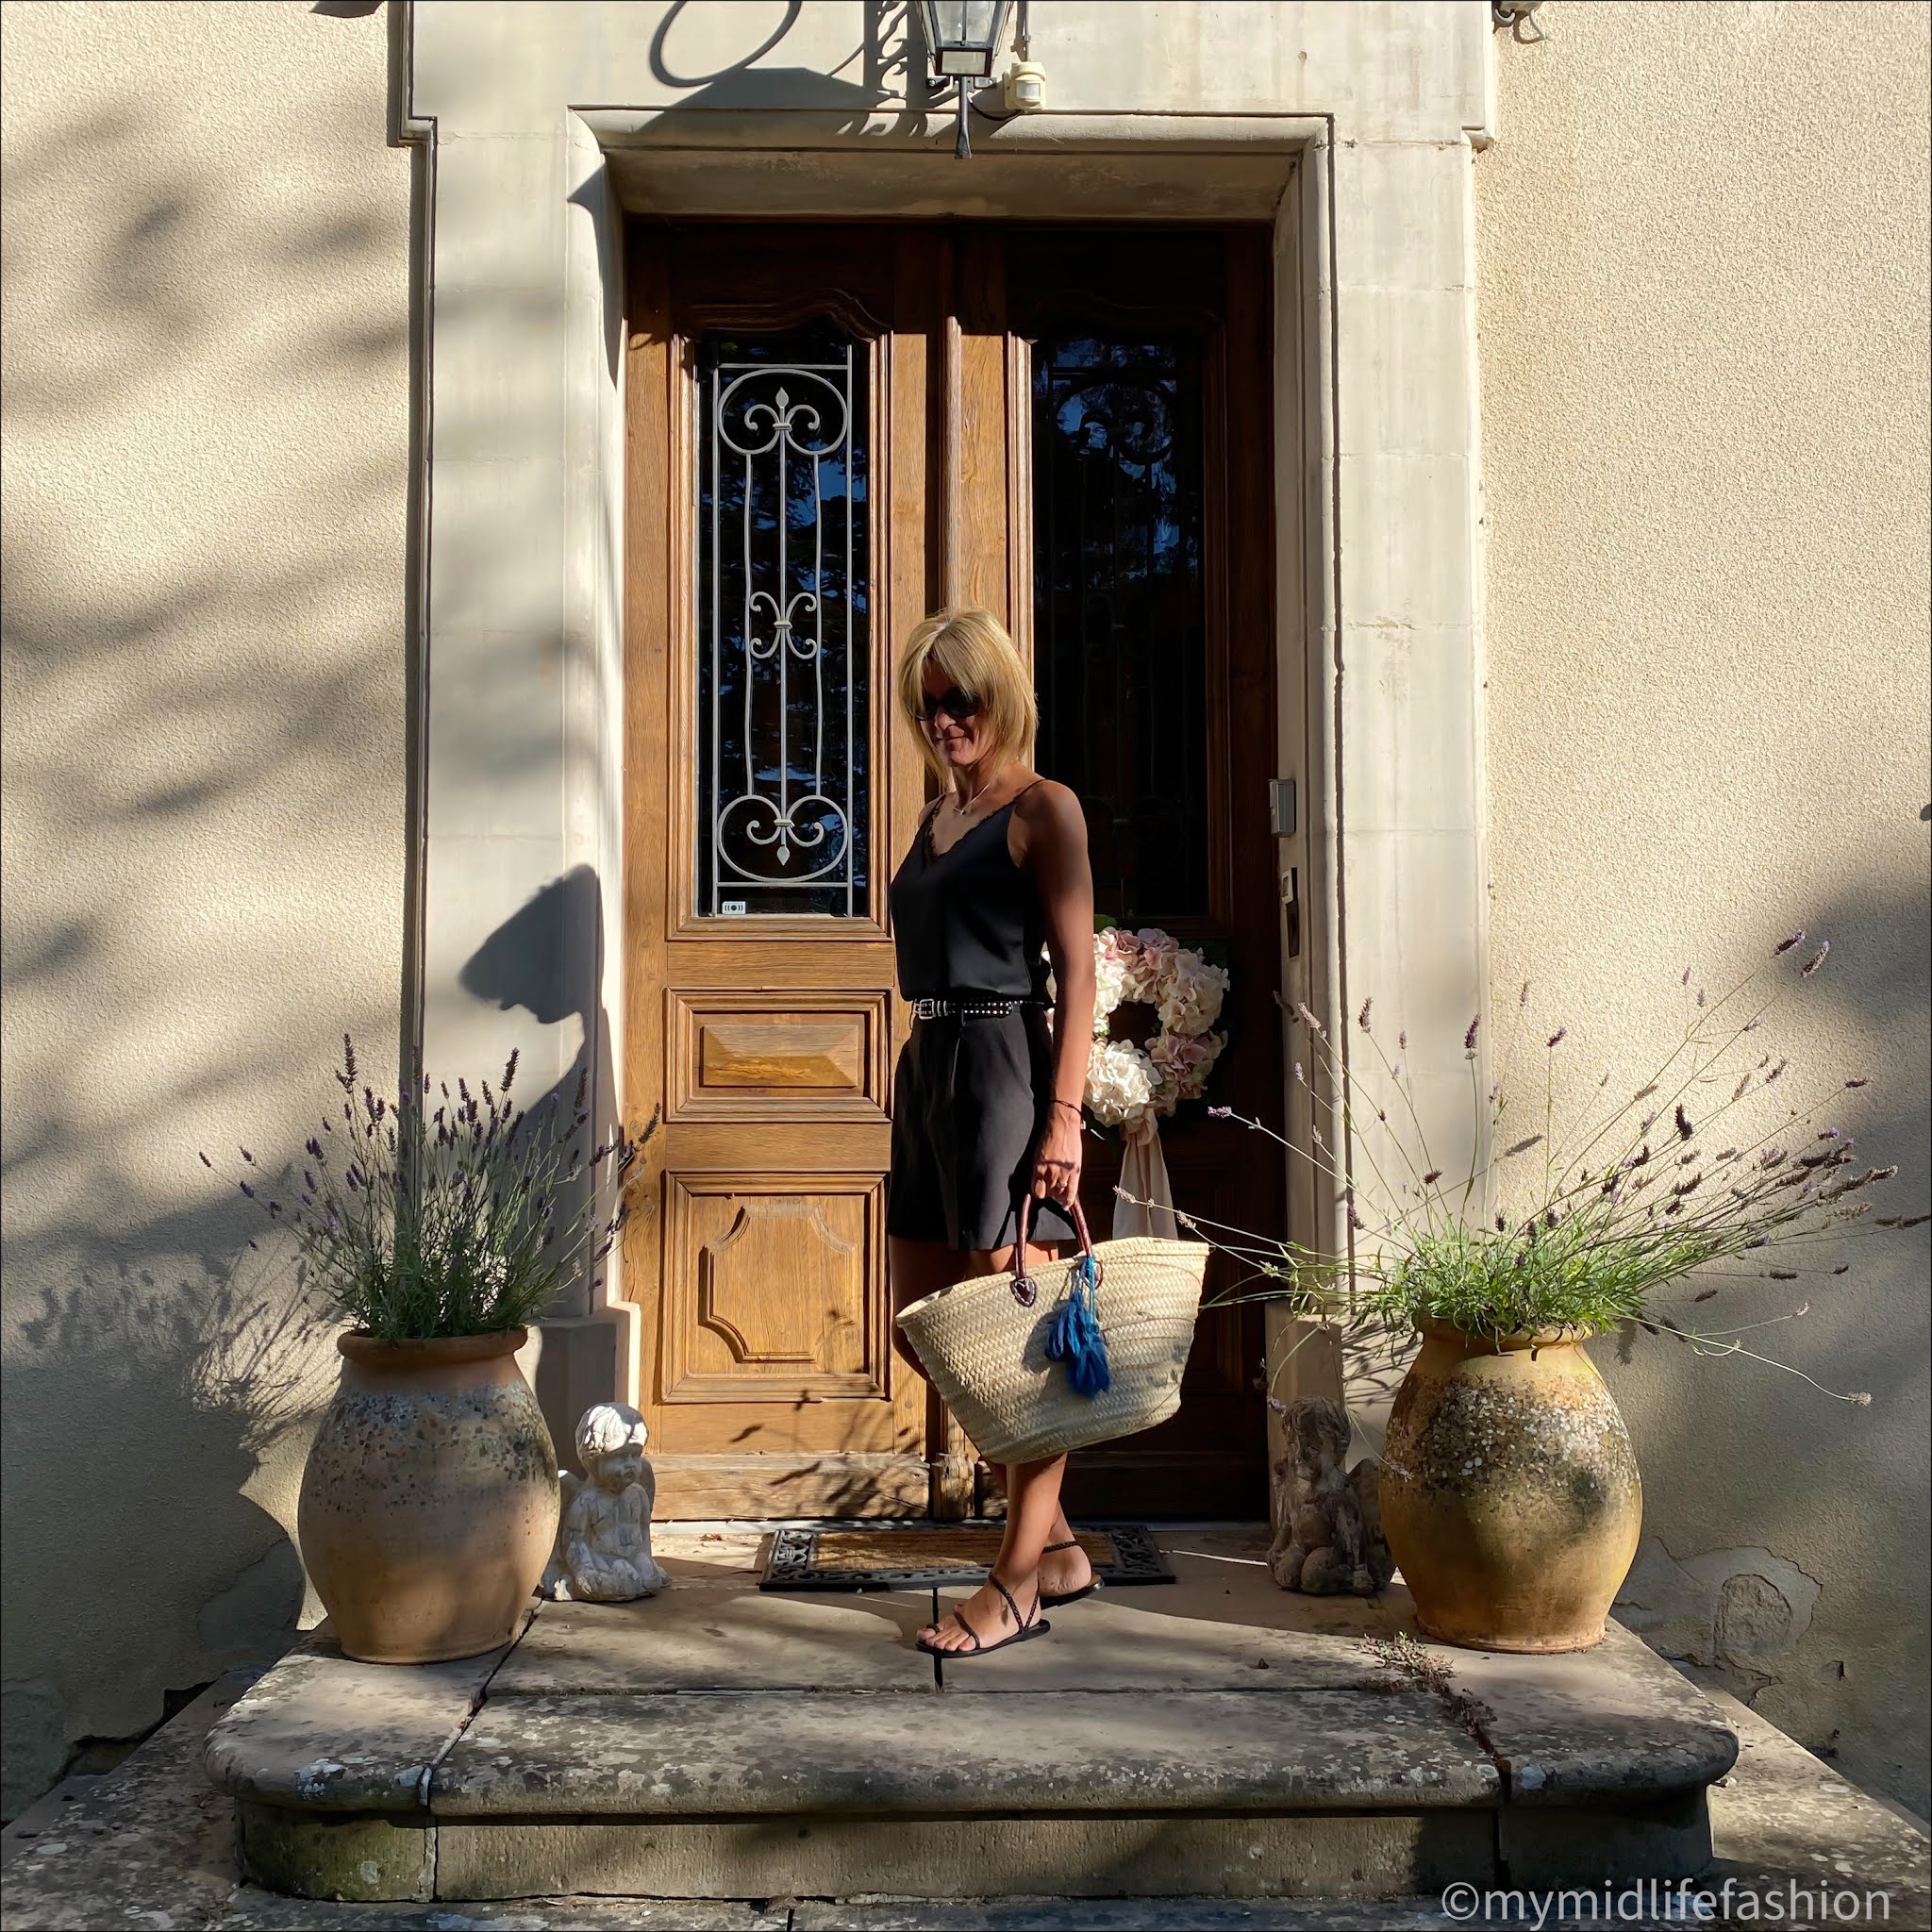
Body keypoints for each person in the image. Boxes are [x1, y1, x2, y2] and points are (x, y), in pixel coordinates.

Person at [887, 606, 1098, 1658]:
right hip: (927, 1069)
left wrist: (1062, 1120)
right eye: (928, 703)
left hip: (1005, 1070)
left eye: (961, 697)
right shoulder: (934, 820)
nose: (945, 719)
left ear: (999, 695)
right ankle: (1054, 1540)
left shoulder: (1040, 809)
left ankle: (1016, 1579)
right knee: (921, 1323)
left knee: (1020, 1341)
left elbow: (1078, 978)